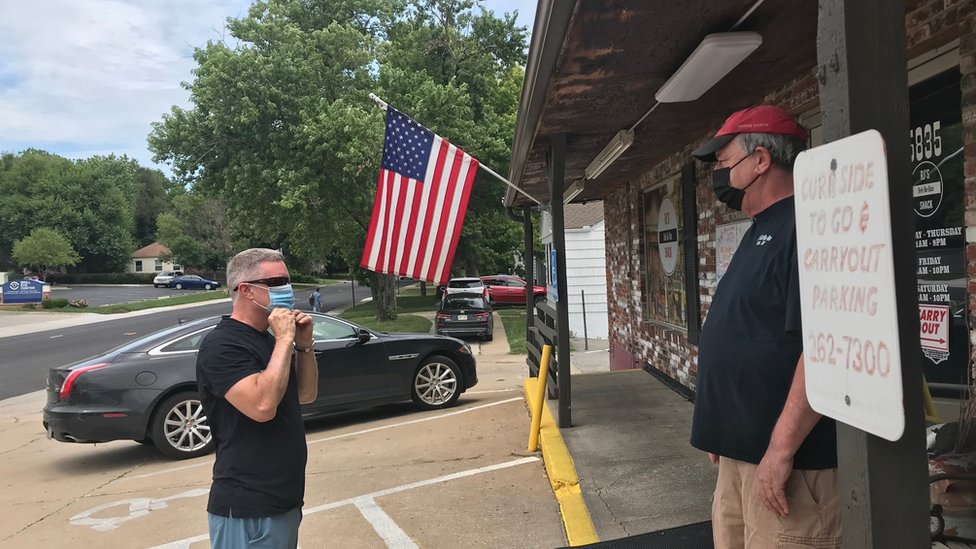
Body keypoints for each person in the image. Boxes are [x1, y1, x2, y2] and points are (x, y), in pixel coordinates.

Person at [690, 106, 841, 549]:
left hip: (792, 467)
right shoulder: (759, 229)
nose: (718, 171)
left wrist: (780, 449)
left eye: (723, 159)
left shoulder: (809, 226)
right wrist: (724, 428)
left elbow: (823, 347)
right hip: (742, 459)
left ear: (761, 160)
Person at [196, 248, 319, 549]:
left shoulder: (269, 340)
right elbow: (262, 407)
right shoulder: (222, 345)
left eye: (287, 281)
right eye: (275, 282)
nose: (286, 289)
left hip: (284, 500)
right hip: (248, 507)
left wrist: (302, 346)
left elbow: (306, 394)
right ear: (246, 291)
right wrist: (285, 339)